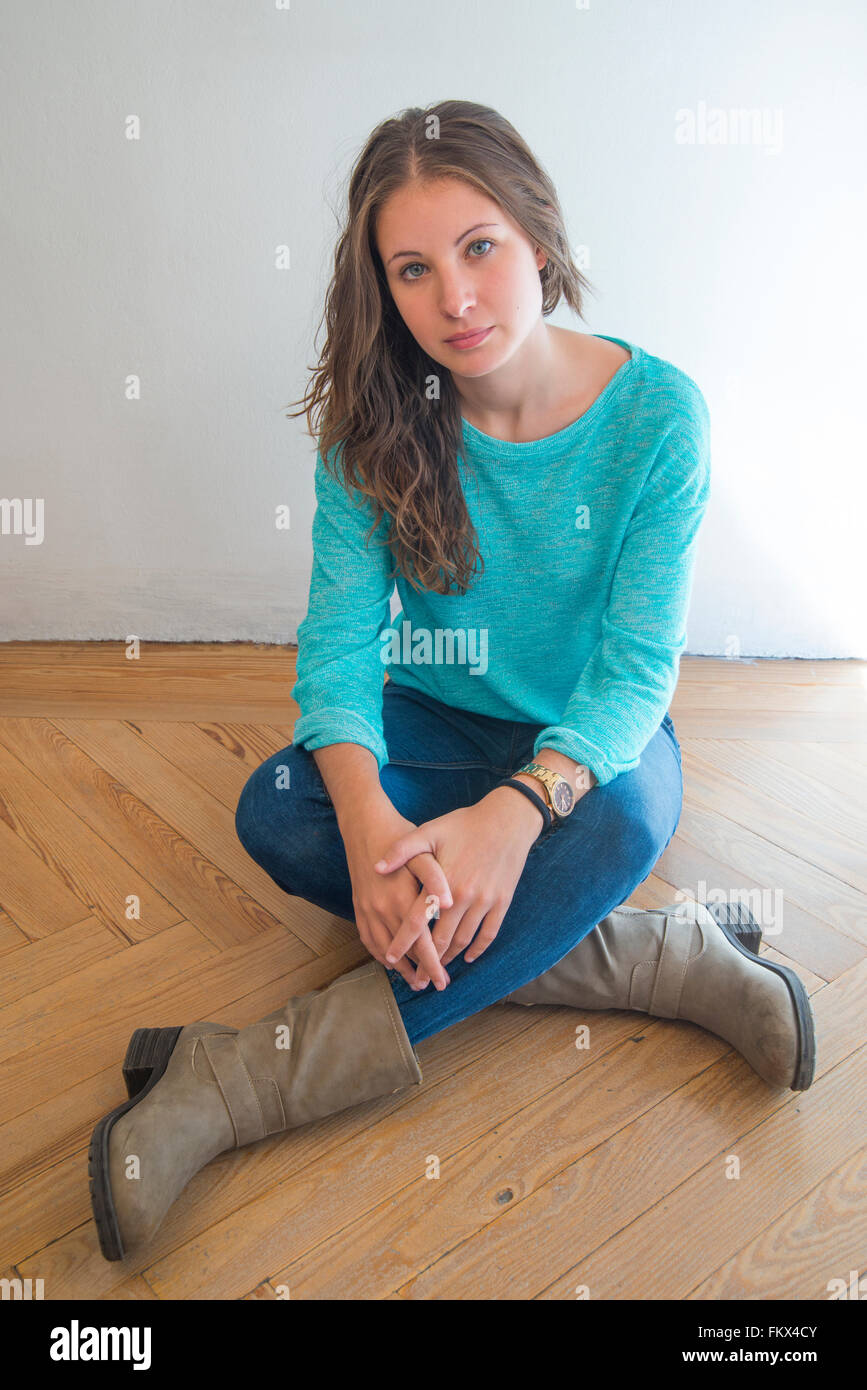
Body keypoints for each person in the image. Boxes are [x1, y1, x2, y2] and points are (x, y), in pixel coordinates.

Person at [88, 100, 815, 1263]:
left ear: (537, 233)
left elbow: (635, 673)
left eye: (479, 248)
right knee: (279, 808)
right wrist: (378, 818)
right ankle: (654, 959)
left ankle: (237, 1082)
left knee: (625, 814)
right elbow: (335, 644)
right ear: (384, 287)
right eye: (413, 269)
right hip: (433, 723)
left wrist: (520, 813)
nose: (456, 300)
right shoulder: (374, 423)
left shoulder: (659, 418)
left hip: (578, 746)